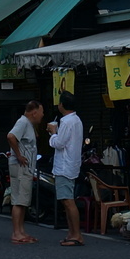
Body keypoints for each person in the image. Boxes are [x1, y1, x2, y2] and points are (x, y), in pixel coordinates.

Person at [47, 92, 85, 247]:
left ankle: (76, 235)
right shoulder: (76, 120)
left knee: (68, 201)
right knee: (66, 200)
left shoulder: (67, 122)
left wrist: (52, 133)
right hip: (71, 164)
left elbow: (59, 143)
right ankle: (72, 233)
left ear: (61, 105)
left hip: (64, 166)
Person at [6, 100, 43, 245]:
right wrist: (19, 155)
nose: (42, 115)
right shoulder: (22, 122)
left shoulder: (28, 124)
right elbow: (10, 136)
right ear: (34, 112)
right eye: (41, 112)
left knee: (23, 200)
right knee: (19, 200)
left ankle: (21, 231)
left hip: (24, 168)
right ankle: (16, 233)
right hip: (21, 167)